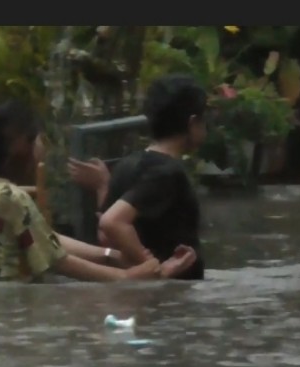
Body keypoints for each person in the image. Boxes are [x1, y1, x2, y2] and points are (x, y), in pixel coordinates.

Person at [0, 100, 197, 284]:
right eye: (39, 139)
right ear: (24, 145)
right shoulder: (12, 197)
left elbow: (46, 237)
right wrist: (128, 278)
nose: (43, 147)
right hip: (13, 306)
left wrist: (112, 256)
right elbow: (60, 262)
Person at [68, 74, 208, 280]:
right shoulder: (168, 173)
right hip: (168, 295)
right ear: (193, 122)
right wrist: (149, 265)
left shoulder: (127, 165)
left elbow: (105, 237)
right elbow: (111, 222)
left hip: (135, 293)